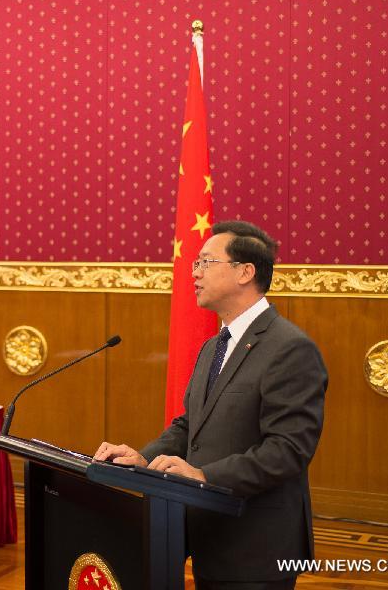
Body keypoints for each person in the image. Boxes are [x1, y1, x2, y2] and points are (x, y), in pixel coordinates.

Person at [94, 220, 327, 589]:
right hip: (210, 534)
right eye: (195, 265)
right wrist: (143, 460)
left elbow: (288, 450)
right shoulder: (214, 346)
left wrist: (205, 476)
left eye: (206, 262)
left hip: (258, 543)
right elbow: (190, 426)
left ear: (245, 272)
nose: (195, 274)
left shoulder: (289, 348)